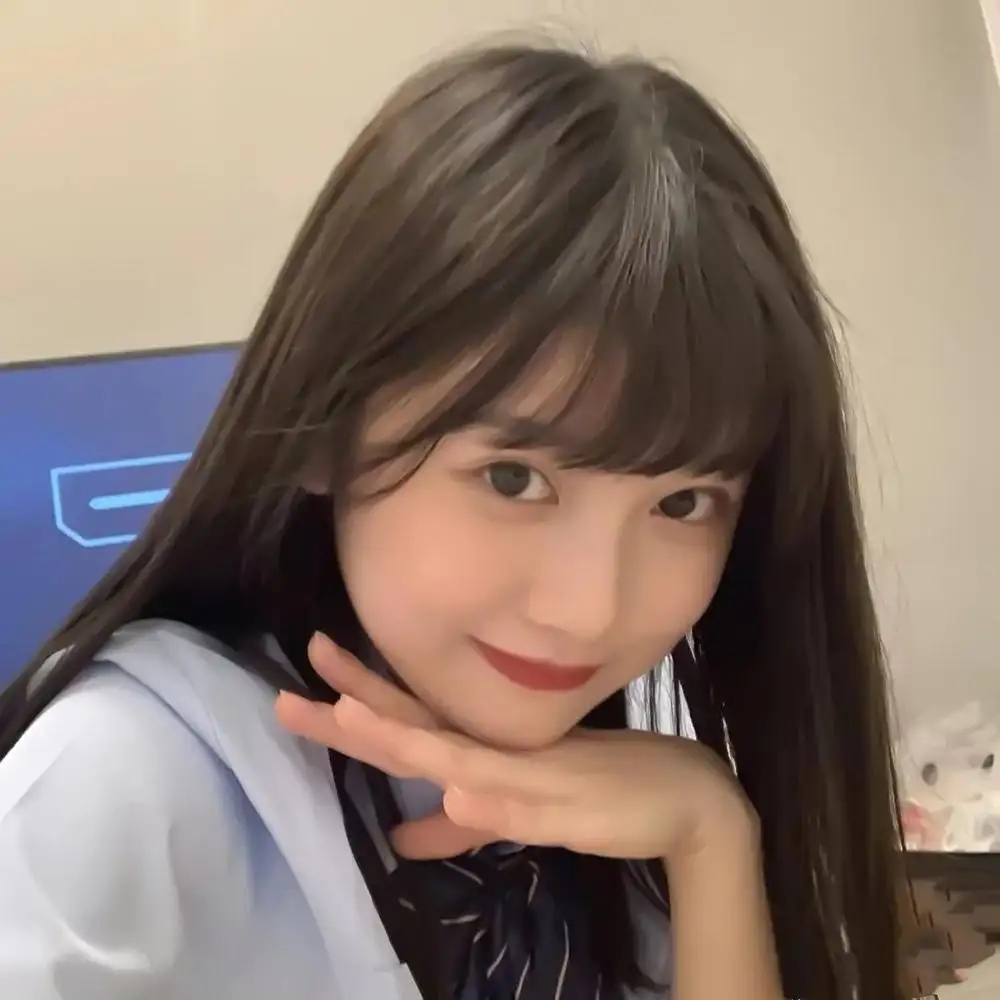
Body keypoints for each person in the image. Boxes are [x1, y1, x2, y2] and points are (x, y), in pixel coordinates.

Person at [0, 41, 908, 1000]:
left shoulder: (651, 750)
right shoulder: (120, 783)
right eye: (514, 479)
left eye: (682, 503)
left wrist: (709, 835)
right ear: (326, 424)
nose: (589, 611)